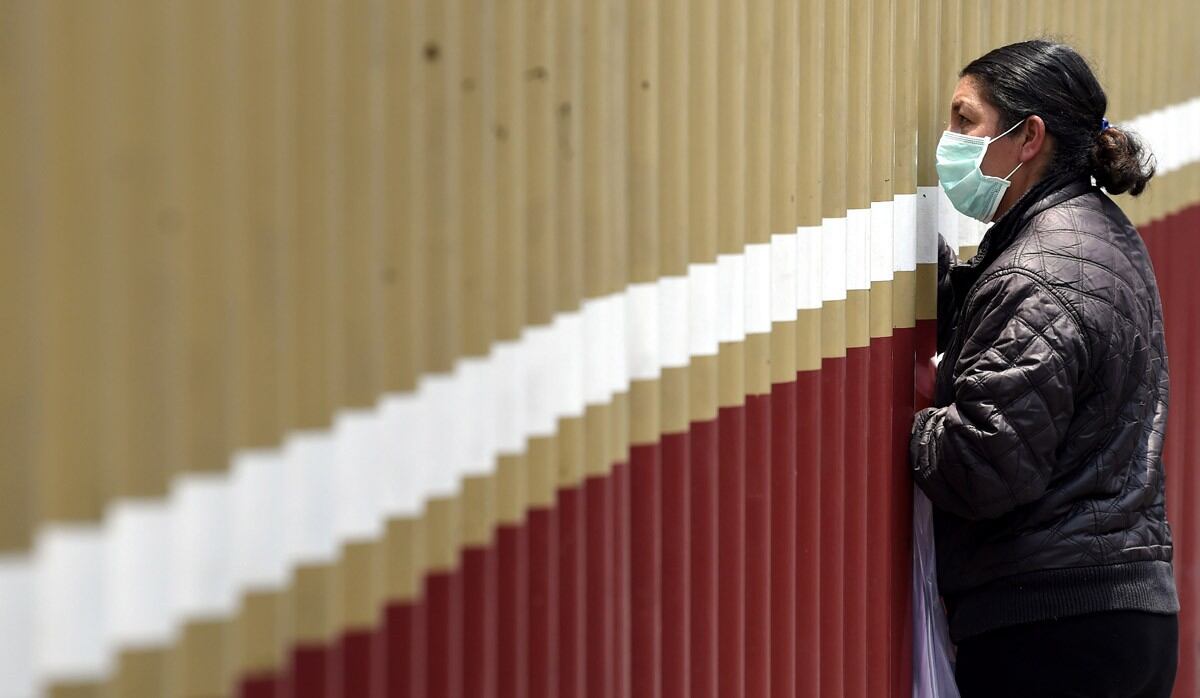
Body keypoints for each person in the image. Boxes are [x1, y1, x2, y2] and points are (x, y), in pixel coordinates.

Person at [909, 40, 1178, 697]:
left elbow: (987, 467)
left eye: (965, 119)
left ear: (1029, 136)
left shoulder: (1040, 271)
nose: (950, 140)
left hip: (1051, 631)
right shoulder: (1095, 234)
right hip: (1116, 616)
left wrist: (918, 422)